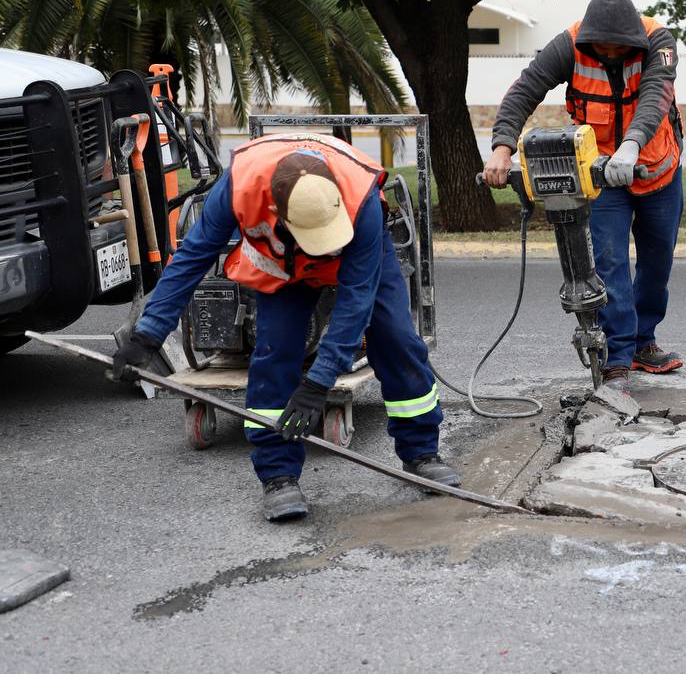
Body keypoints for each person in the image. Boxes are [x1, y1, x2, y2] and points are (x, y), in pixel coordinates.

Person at [112, 132, 460, 520]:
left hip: (361, 250)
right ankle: (278, 475)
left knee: (396, 339)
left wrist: (318, 383)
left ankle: (421, 452)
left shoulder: (361, 202)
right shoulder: (239, 186)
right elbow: (193, 257)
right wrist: (147, 335)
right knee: (274, 353)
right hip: (282, 266)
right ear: (278, 212)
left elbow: (355, 301)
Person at [483, 0, 684, 389]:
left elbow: (655, 96)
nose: (610, 52)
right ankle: (618, 356)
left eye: (618, 46)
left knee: (657, 261)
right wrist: (502, 149)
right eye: (603, 46)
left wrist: (632, 145)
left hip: (655, 167)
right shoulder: (570, 45)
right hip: (599, 173)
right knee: (608, 262)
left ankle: (644, 342)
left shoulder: (657, 40)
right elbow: (524, 90)